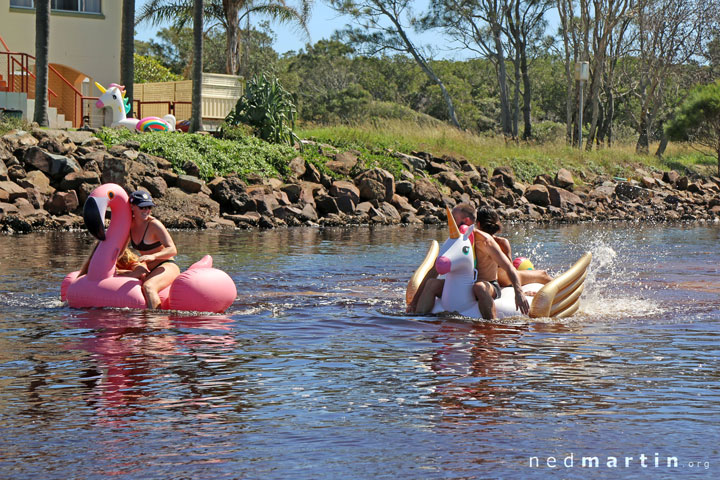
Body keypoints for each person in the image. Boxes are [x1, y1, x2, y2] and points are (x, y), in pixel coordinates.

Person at [410, 205, 529, 319]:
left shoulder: (485, 241)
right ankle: (420, 322)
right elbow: (434, 270)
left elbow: (509, 267)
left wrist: (519, 293)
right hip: (462, 285)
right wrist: (413, 302)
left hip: (488, 285)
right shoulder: (454, 240)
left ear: (466, 221)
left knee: (479, 287)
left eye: (454, 219)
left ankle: (491, 327)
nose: (450, 223)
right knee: (432, 283)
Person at [476, 208, 552, 293]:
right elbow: (510, 268)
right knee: (543, 274)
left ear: (478, 224)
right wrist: (521, 292)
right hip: (507, 281)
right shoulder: (502, 242)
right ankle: (565, 292)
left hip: (497, 281)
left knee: (541, 274)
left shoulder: (473, 242)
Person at [127, 190, 181, 309]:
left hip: (166, 265)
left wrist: (153, 256)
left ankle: (155, 323)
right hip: (150, 269)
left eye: (149, 207)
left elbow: (172, 249)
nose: (146, 210)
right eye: (142, 207)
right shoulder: (129, 225)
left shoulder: (154, 225)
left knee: (148, 287)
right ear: (132, 206)